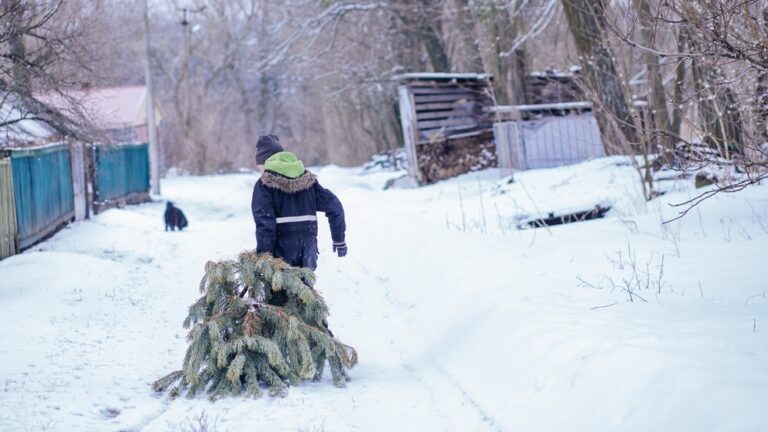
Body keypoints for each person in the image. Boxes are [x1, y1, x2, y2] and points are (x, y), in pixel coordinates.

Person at [251, 134, 347, 273]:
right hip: (308, 250)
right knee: (304, 291)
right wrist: (339, 239)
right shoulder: (309, 181)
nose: (260, 172)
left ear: (265, 162)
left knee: (280, 294)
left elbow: (265, 225)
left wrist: (263, 258)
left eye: (259, 167)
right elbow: (334, 206)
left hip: (281, 253)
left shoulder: (264, 185)